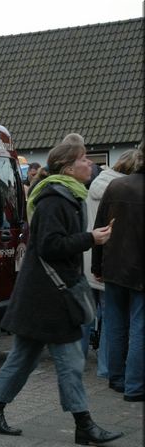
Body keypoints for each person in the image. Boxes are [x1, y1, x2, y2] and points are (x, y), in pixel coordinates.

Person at [0, 141, 123, 446]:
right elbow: (49, 245)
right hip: (49, 297)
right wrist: (91, 239)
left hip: (41, 294)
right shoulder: (54, 200)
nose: (90, 164)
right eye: (84, 159)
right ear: (68, 167)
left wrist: (90, 238)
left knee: (23, 357)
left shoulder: (68, 196)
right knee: (71, 360)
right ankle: (83, 424)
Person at [92, 146, 144, 402]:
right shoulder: (117, 187)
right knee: (139, 326)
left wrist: (97, 266)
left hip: (113, 268)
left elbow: (99, 228)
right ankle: (135, 386)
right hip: (138, 273)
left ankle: (117, 378)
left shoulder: (116, 186)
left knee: (115, 324)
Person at [83, 149, 139, 374]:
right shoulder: (125, 190)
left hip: (89, 256)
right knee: (111, 319)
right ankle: (106, 368)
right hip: (112, 261)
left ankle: (77, 363)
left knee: (86, 316)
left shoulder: (94, 185)